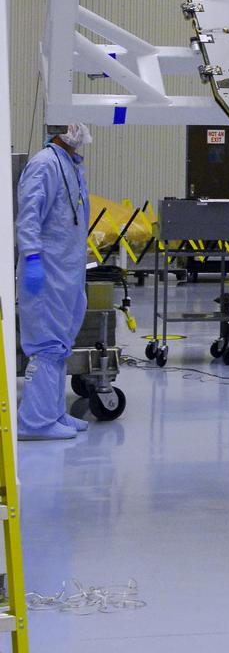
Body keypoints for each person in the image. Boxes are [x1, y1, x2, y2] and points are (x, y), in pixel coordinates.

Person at [16, 123, 92, 440]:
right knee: (47, 344)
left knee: (60, 345)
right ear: (63, 129)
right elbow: (29, 214)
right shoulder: (44, 164)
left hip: (68, 270)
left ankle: (53, 413)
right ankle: (35, 422)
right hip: (47, 270)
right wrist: (32, 256)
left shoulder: (71, 166)